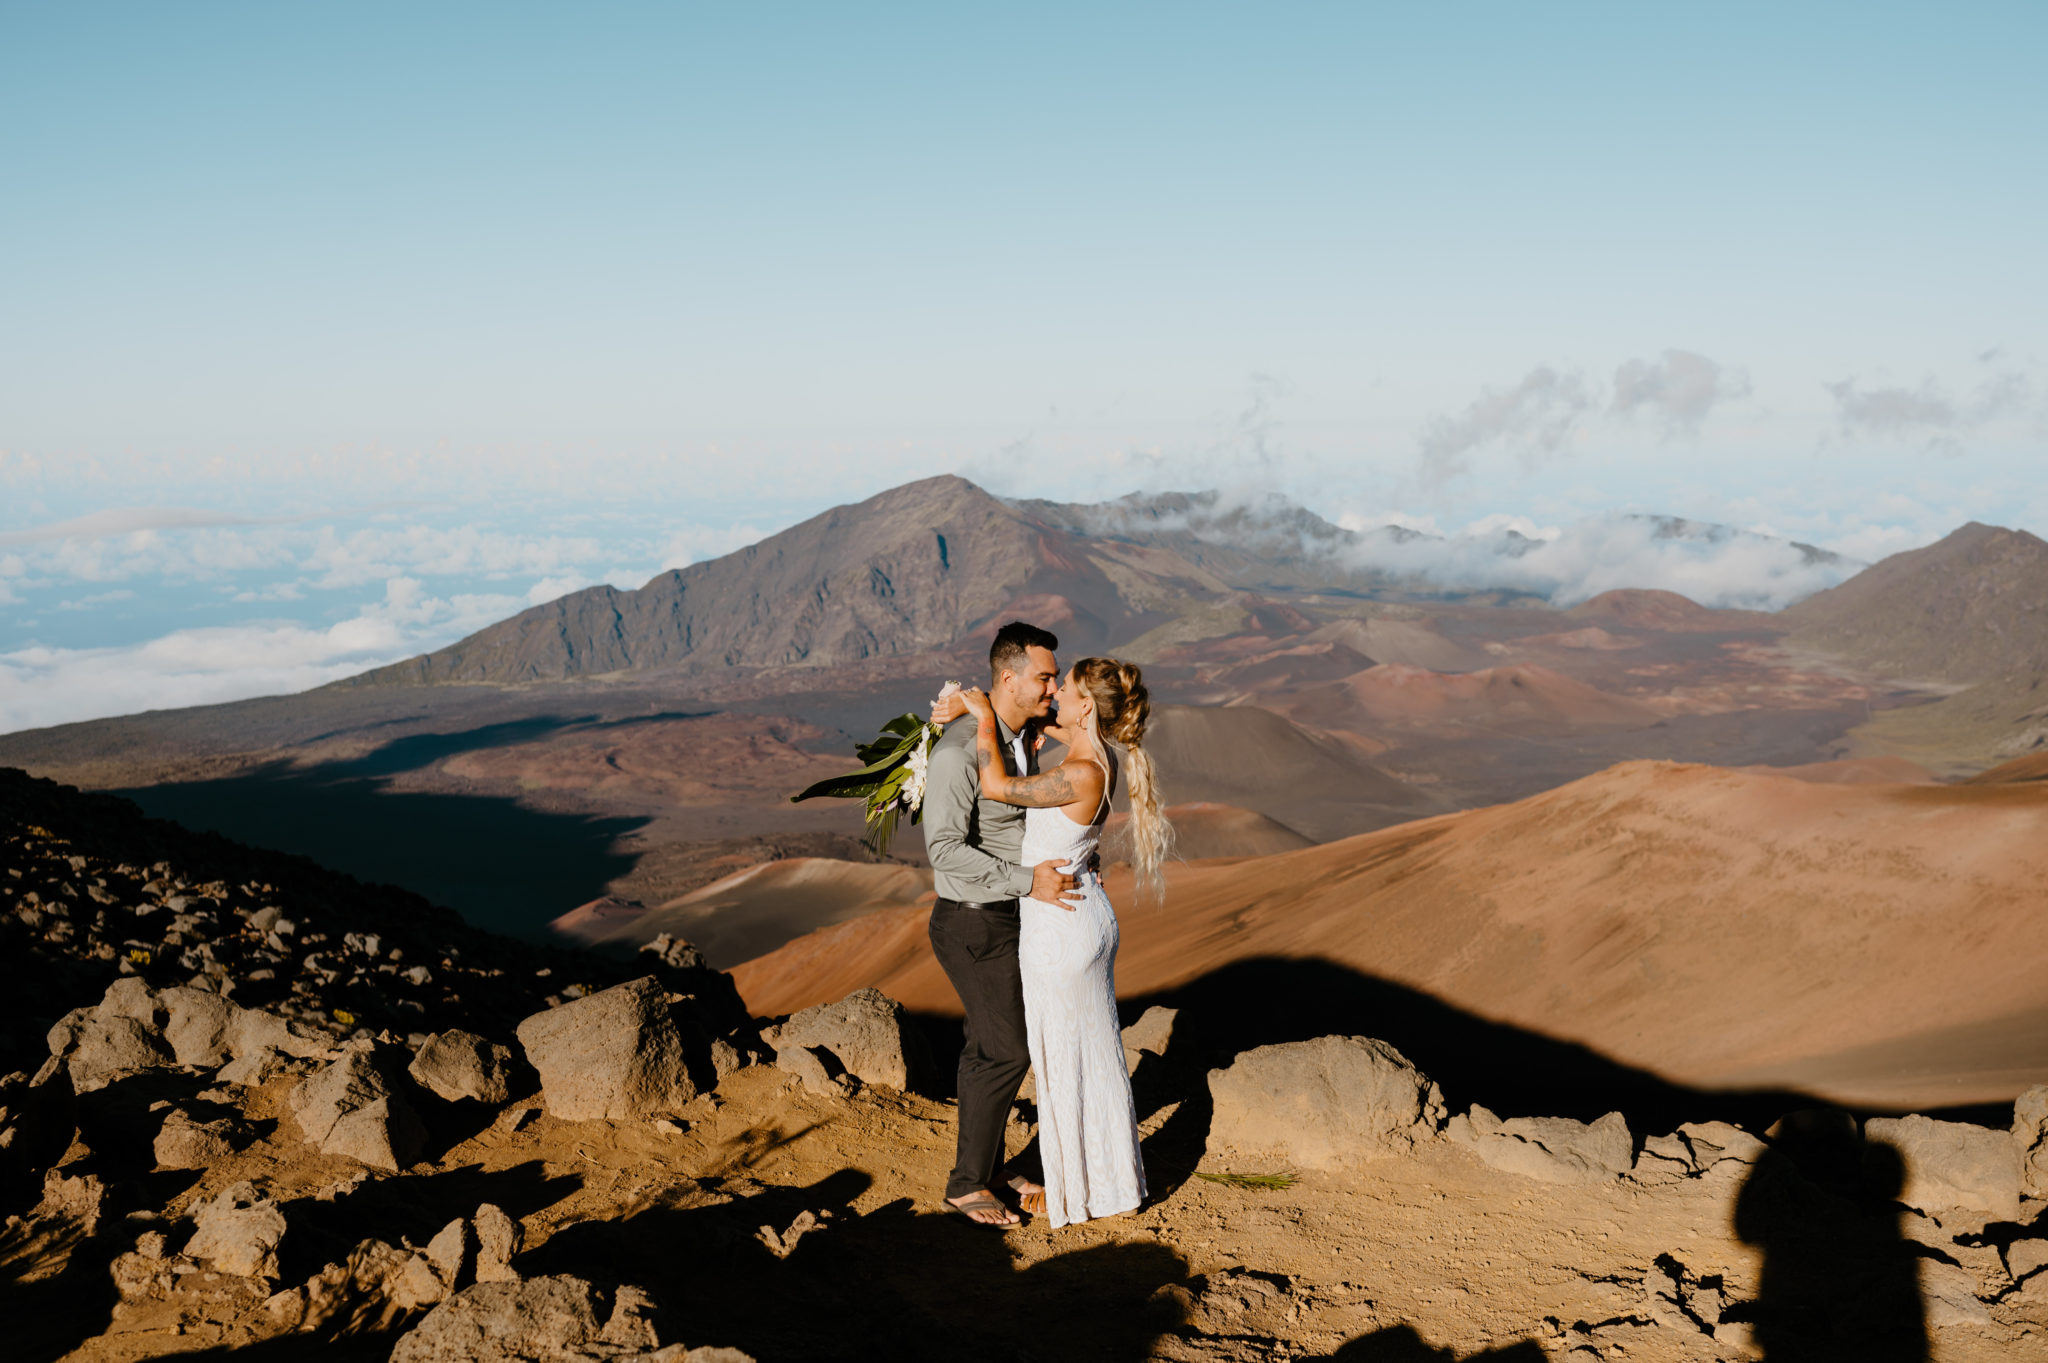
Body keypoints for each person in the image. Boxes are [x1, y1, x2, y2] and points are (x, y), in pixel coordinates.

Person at [943, 655, 1169, 1228]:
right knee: (1091, 1058)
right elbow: (1040, 724)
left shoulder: (1084, 771)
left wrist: (980, 717)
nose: (1052, 697)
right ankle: (1106, 1183)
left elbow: (995, 785)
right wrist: (977, 711)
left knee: (1063, 1061)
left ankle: (1078, 1191)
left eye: (1062, 688)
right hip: (1080, 914)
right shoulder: (1096, 754)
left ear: (1086, 705)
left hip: (1058, 927)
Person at [922, 621, 1081, 1226]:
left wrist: (969, 699)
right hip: (972, 923)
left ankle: (984, 1167)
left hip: (1005, 918)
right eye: (1045, 676)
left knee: (992, 1045)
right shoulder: (963, 749)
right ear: (1008, 679)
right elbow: (943, 850)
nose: (1053, 686)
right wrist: (1028, 881)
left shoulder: (1012, 735)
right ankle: (966, 1186)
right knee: (1005, 1051)